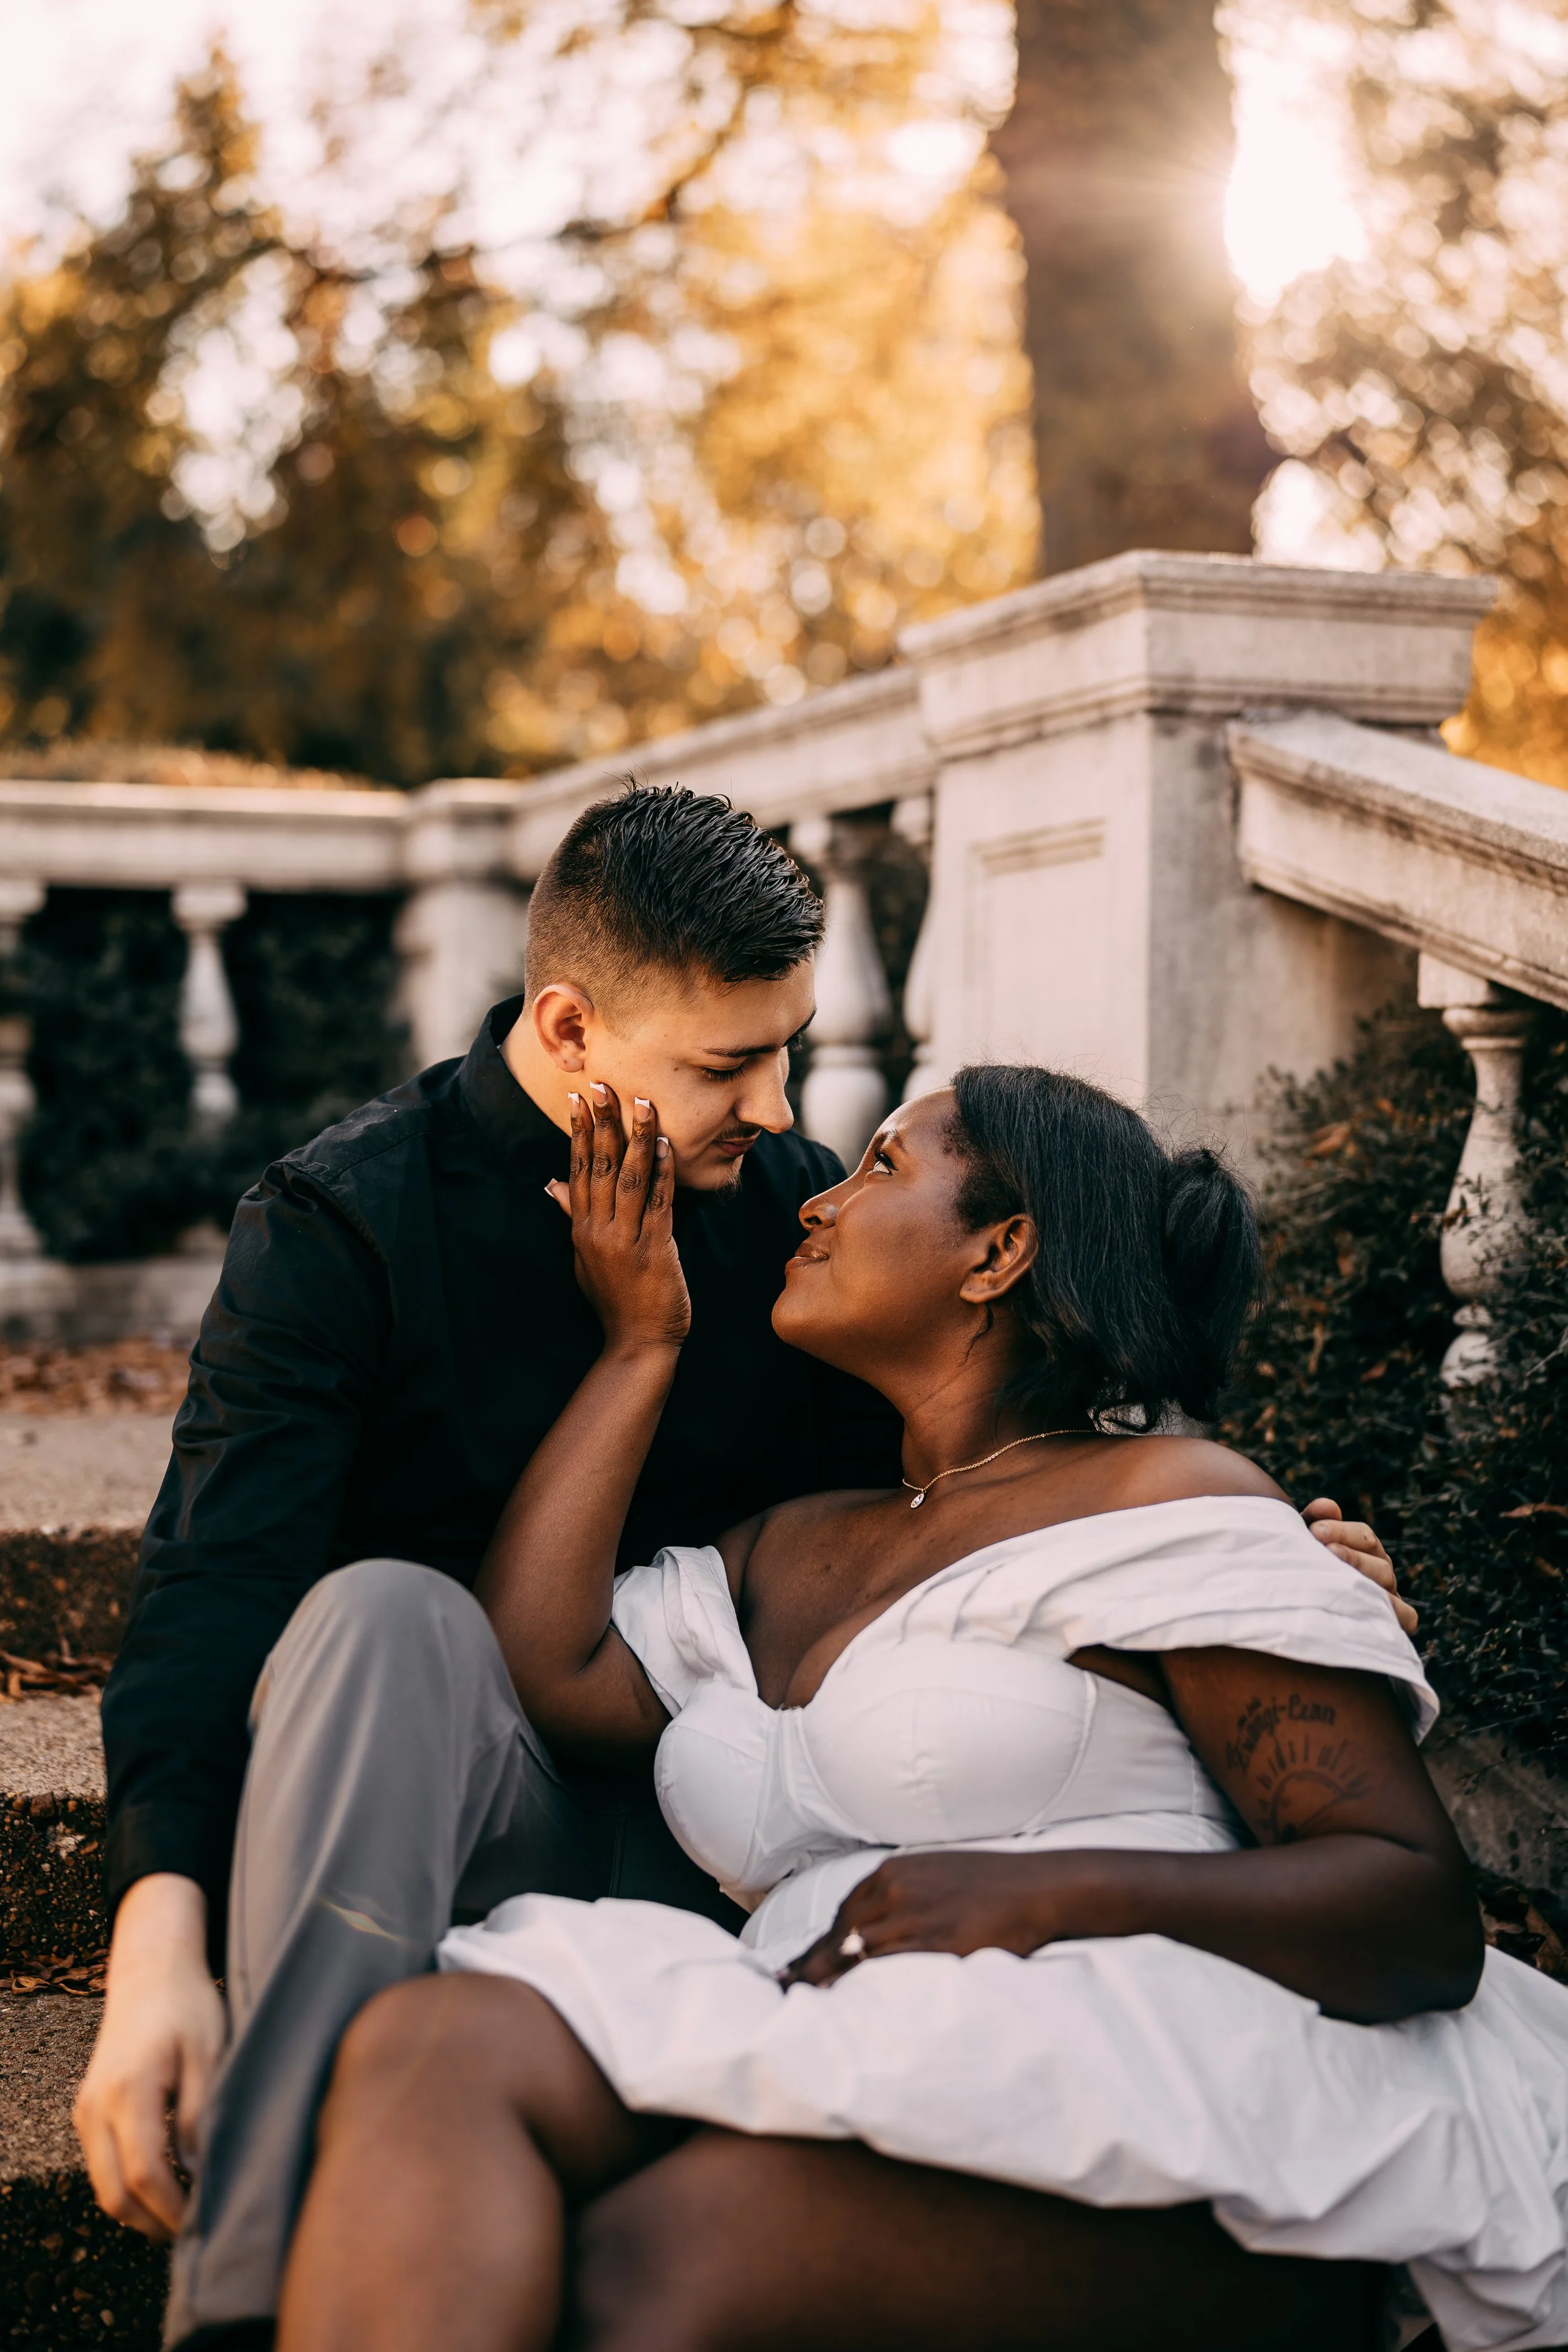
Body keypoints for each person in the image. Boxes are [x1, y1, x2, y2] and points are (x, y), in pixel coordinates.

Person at [73, 786, 1405, 2351]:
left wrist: (1288, 1578)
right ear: (571, 1031)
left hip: (748, 1840)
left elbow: (1015, 1445)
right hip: (442, 1810)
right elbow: (210, 1593)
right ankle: (242, 2302)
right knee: (382, 1618)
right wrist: (157, 1941)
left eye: (787, 1048)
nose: (780, 1111)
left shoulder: (790, 1218)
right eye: (728, 1064)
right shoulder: (345, 1226)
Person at [275, 1067, 1568, 2352]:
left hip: (1154, 2070)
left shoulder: (1166, 1497)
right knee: (432, 2042)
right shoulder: (787, 1546)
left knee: (651, 2271)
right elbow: (543, 1666)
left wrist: (1035, 1897)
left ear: (996, 1252)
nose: (817, 1205)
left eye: (879, 1165)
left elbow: (1409, 1908)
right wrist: (639, 1345)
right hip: (828, 2013)